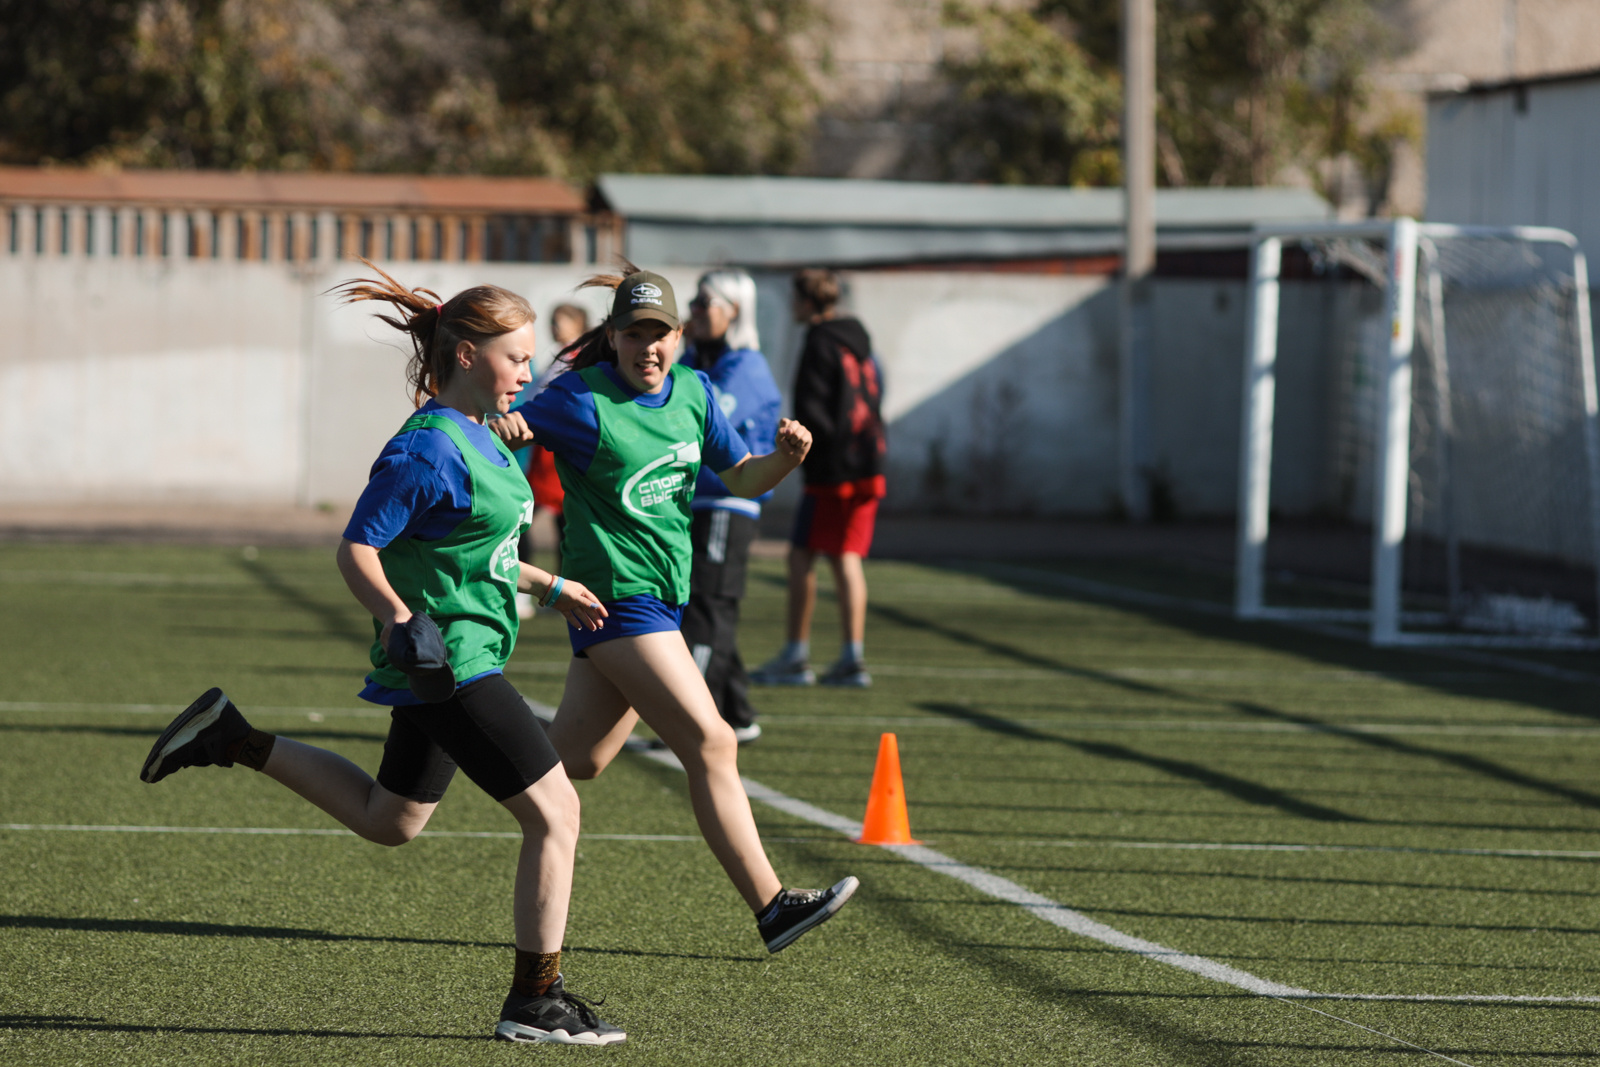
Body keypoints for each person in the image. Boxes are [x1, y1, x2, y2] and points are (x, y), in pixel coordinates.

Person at [138, 265, 625, 1046]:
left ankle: (234, 736)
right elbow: (357, 548)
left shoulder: (483, 435)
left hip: (455, 653)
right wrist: (400, 616)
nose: (528, 373)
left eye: (530, 358)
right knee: (557, 812)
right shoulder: (427, 448)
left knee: (390, 818)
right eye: (516, 357)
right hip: (452, 662)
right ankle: (536, 1000)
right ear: (466, 356)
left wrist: (550, 581)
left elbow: (477, 547)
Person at [490, 264, 858, 953]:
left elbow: (741, 474)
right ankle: (773, 906)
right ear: (616, 337)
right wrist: (502, 427)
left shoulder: (695, 392)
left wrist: (785, 458)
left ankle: (454, 743)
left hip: (663, 599)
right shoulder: (577, 399)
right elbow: (496, 427)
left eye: (660, 333)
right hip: (618, 603)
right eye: (634, 334)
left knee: (581, 759)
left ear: (680, 337)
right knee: (713, 741)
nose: (648, 347)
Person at [752, 268, 886, 689]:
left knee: (801, 557)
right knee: (846, 558)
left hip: (834, 469)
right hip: (869, 461)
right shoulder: (857, 338)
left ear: (807, 302)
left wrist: (798, 441)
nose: (792, 306)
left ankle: (796, 653)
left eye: (796, 298)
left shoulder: (819, 340)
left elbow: (815, 410)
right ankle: (851, 655)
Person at [678, 269, 782, 745]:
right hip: (699, 502)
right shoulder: (701, 358)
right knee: (706, 607)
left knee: (708, 607)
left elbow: (696, 419)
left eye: (705, 303)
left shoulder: (747, 367)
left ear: (734, 311)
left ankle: (691, 719)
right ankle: (737, 714)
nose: (694, 312)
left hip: (727, 504)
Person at [514, 303, 588, 618]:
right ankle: (531, 592)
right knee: (528, 517)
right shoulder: (559, 357)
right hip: (546, 451)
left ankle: (560, 591)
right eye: (554, 322)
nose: (556, 327)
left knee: (551, 521)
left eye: (562, 322)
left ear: (580, 325)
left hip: (558, 451)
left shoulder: (578, 359)